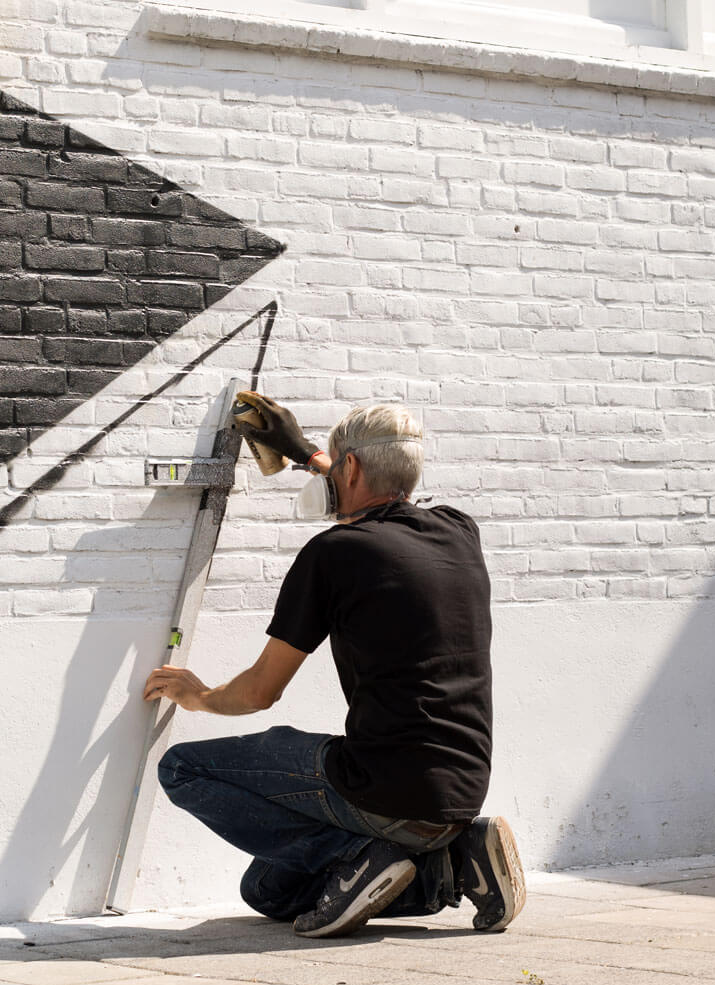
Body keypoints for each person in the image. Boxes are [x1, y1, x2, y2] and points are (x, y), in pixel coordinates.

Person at [142, 395, 524, 938]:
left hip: (379, 787)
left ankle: (355, 858)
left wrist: (197, 695)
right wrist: (306, 454)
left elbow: (259, 692)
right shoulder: (459, 531)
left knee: (183, 768)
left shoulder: (334, 553)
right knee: (268, 892)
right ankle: (458, 858)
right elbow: (378, 499)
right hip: (460, 793)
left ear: (353, 468)